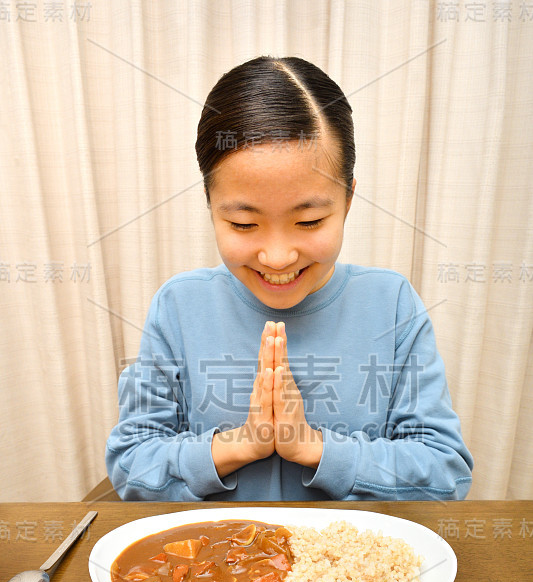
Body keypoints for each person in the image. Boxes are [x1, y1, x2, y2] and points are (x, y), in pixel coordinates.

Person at [106, 55, 474, 501]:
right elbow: (130, 465)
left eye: (310, 221)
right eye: (244, 224)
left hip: (343, 567)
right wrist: (239, 444)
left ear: (348, 199)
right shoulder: (179, 306)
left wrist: (314, 448)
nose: (277, 257)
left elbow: (445, 475)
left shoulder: (391, 303)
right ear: (209, 203)